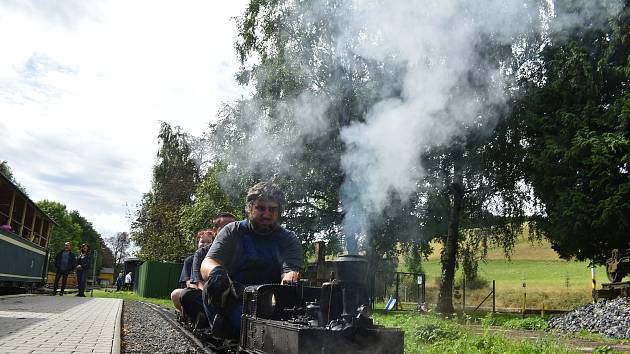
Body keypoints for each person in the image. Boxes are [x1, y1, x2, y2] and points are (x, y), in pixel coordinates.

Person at [200, 182, 302, 337]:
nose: (267, 214)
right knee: (212, 285)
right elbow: (208, 262)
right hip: (232, 298)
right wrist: (217, 272)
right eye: (261, 208)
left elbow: (290, 271)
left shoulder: (288, 239)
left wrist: (287, 285)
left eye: (272, 209)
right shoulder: (232, 231)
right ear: (250, 208)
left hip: (268, 303)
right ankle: (223, 331)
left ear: (279, 211)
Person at [181, 213, 236, 329]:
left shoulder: (240, 250)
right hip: (209, 296)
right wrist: (210, 293)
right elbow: (197, 280)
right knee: (186, 295)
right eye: (226, 227)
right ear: (215, 231)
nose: (230, 231)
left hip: (234, 295)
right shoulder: (201, 253)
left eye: (233, 227)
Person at [171, 229, 213, 317]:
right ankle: (189, 315)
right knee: (176, 294)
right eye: (202, 241)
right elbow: (188, 282)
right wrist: (202, 290)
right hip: (196, 291)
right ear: (198, 243)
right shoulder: (190, 260)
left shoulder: (216, 259)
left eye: (208, 242)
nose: (205, 244)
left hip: (212, 292)